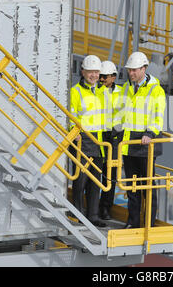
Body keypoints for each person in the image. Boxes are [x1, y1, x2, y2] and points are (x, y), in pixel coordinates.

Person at [115, 51, 166, 229]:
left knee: (148, 187)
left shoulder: (155, 90)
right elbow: (120, 111)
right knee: (132, 187)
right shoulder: (128, 87)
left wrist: (150, 134)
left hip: (146, 145)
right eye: (130, 70)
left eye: (135, 70)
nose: (131, 73)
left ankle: (148, 224)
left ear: (144, 68)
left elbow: (158, 117)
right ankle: (133, 222)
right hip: (129, 144)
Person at [70, 55, 108, 228]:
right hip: (82, 140)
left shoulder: (102, 92)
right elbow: (71, 115)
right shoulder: (75, 91)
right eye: (90, 71)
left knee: (95, 181)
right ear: (83, 71)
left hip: (98, 141)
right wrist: (74, 132)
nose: (93, 75)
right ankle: (78, 213)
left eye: (96, 72)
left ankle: (93, 215)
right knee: (80, 179)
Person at [98, 60, 122, 220]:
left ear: (113, 77)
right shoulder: (95, 91)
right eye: (100, 76)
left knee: (110, 176)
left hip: (114, 139)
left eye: (104, 76)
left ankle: (105, 208)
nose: (101, 79)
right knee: (93, 174)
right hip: (99, 136)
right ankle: (92, 207)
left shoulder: (121, 93)